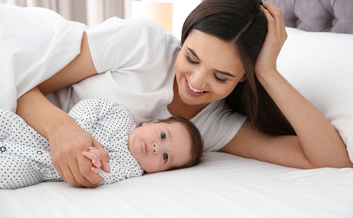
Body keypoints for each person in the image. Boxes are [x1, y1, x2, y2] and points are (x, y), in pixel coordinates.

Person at [1, 0, 353, 188]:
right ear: (183, 39)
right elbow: (25, 85)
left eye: (222, 77)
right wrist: (63, 129)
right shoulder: (143, 43)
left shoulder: (215, 126)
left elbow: (332, 160)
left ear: (244, 77)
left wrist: (269, 73)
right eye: (192, 57)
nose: (197, 83)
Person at [0, 99, 203, 189]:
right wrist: (79, 133)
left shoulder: (131, 170)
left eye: (165, 157)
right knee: (5, 121)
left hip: (41, 167)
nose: (158, 147)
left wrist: (94, 164)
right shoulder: (119, 115)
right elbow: (90, 106)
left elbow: (100, 177)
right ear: (153, 122)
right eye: (162, 136)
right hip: (35, 134)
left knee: (11, 171)